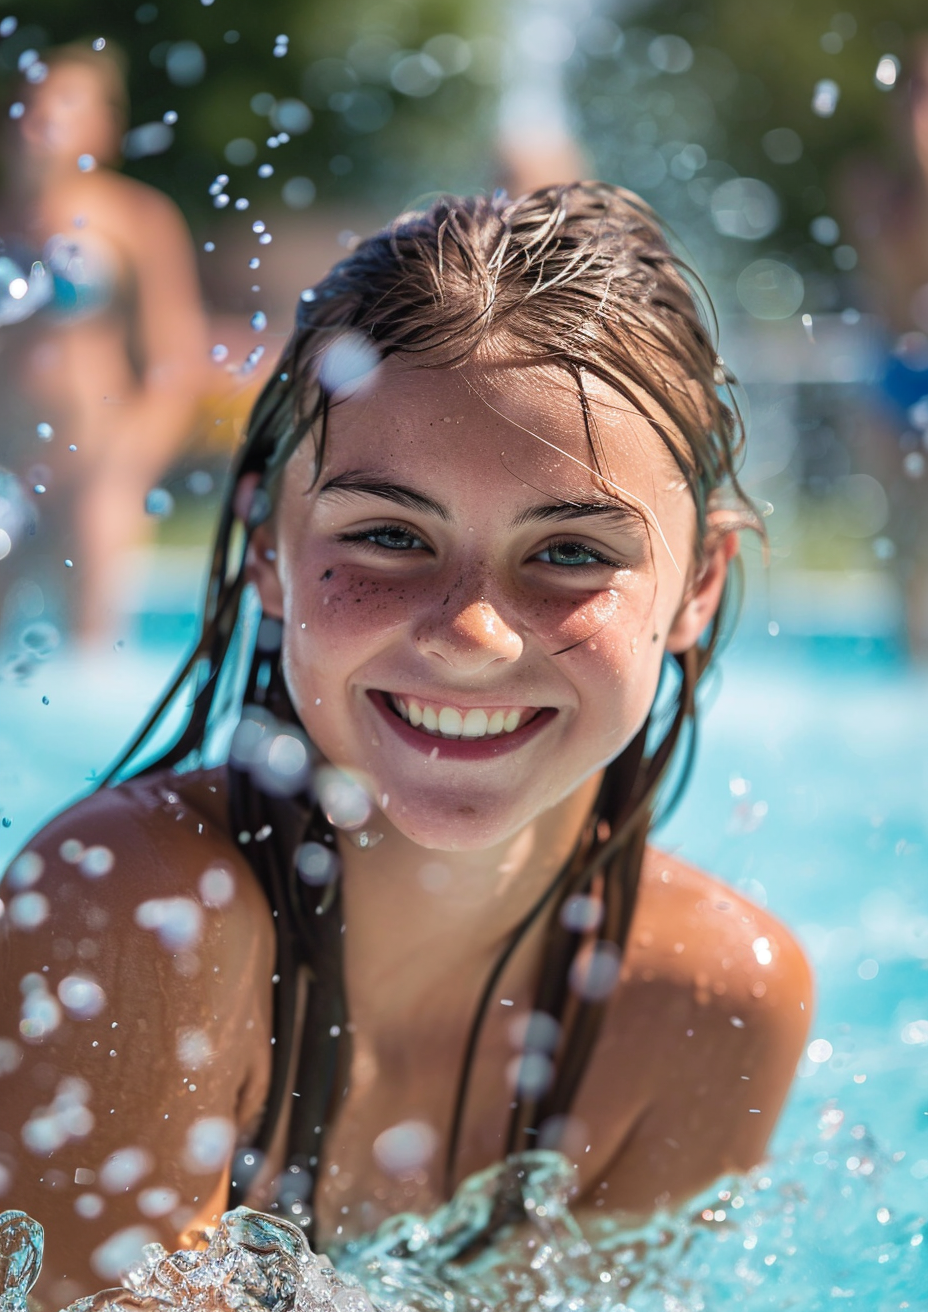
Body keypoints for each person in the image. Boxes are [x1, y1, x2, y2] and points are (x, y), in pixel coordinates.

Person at [0, 184, 812, 1306]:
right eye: (387, 534)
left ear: (700, 587)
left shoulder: (709, 1004)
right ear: (268, 553)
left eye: (571, 551)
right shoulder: (137, 914)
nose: (470, 633)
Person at [0, 42, 207, 647]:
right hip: (12, 474)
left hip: (98, 468)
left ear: (104, 128)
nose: (39, 118)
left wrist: (124, 473)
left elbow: (178, 363)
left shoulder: (137, 218)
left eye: (63, 103)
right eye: (28, 101)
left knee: (87, 660)